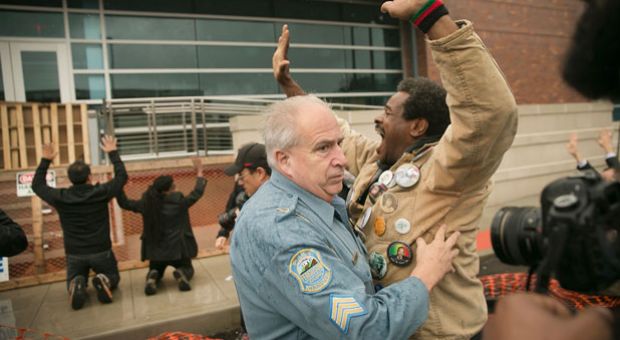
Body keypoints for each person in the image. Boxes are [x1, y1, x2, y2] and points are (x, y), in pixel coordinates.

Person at [272, 0, 518, 337]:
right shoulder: (378, 160)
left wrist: (430, 16)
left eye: (388, 112)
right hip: (390, 324)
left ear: (417, 127)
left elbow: (490, 113)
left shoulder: (449, 171)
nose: (378, 117)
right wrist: (289, 87)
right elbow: (336, 134)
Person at [230, 94, 460, 339]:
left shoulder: (317, 199)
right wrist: (425, 276)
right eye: (323, 148)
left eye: (338, 144)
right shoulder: (283, 231)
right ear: (284, 160)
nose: (341, 159)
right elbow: (366, 330)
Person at [32, 135, 127, 310]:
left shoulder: (61, 197)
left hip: (75, 252)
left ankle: (77, 283)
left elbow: (37, 185)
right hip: (101, 250)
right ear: (89, 177)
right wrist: (113, 152)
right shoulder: (100, 192)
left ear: (70, 178)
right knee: (113, 277)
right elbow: (122, 177)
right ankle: (104, 279)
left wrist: (45, 160)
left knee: (75, 276)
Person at [116, 158, 206, 295]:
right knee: (189, 270)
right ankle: (181, 273)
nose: (176, 187)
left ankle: (153, 276)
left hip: (156, 253)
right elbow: (197, 193)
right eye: (174, 186)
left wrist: (118, 186)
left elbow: (125, 203)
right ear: (169, 190)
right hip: (178, 251)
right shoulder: (180, 202)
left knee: (156, 270)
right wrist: (199, 172)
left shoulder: (147, 203)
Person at [214, 143, 271, 250]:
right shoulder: (244, 193)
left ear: (260, 173)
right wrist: (223, 232)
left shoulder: (282, 210)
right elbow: (231, 207)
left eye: (242, 175)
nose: (240, 182)